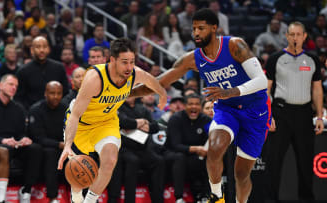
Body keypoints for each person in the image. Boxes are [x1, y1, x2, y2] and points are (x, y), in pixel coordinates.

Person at [131, 8, 271, 203]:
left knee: (241, 173)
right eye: (194, 28)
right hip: (227, 109)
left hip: (255, 109)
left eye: (201, 28)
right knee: (214, 147)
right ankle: (216, 196)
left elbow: (261, 81)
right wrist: (125, 92)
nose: (196, 33)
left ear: (214, 28)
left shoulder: (234, 46)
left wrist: (229, 92)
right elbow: (160, 82)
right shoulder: (192, 59)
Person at [57, 38, 167, 203]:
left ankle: (90, 200)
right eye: (124, 62)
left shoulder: (134, 73)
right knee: (79, 169)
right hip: (82, 124)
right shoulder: (95, 79)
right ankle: (76, 193)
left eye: (132, 61)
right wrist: (67, 144)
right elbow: (75, 115)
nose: (129, 67)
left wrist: (163, 94)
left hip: (106, 122)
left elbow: (152, 81)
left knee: (110, 160)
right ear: (112, 60)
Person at [265, 21, 324, 201]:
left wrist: (320, 116)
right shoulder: (275, 58)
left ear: (305, 36)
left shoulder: (312, 59)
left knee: (306, 162)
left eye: (299, 34)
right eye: (292, 34)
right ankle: (271, 198)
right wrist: (268, 115)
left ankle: (306, 198)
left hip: (304, 114)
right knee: (274, 161)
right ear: (287, 36)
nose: (295, 37)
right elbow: (266, 89)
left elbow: (317, 89)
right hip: (281, 113)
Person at [0, 74, 43, 203]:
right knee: (4, 150)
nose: (14, 88)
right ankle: (1, 198)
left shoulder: (19, 108)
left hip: (14, 144)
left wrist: (24, 139)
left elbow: (20, 133)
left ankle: (26, 191)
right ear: (0, 85)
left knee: (35, 149)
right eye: (11, 84)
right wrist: (2, 140)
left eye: (16, 86)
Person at [166, 93, 212, 202]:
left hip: (196, 155)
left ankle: (206, 196)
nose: (194, 107)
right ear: (185, 106)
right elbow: (175, 145)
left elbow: (211, 141)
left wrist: (206, 150)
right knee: (180, 157)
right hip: (172, 153)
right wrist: (196, 149)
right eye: (190, 104)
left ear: (200, 107)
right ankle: (179, 198)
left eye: (197, 104)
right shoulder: (175, 119)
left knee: (210, 158)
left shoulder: (206, 120)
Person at [29, 81, 67, 203]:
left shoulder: (67, 109)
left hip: (64, 145)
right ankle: (53, 197)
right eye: (52, 93)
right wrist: (59, 144)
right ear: (45, 93)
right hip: (44, 146)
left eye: (59, 93)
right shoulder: (36, 109)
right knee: (51, 153)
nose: (55, 96)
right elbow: (37, 137)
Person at [16, 36, 69, 109]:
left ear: (49, 49)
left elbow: (66, 93)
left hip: (57, 112)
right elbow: (19, 98)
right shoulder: (23, 71)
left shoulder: (59, 68)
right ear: (32, 50)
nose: (42, 50)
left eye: (44, 47)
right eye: (38, 47)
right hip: (32, 114)